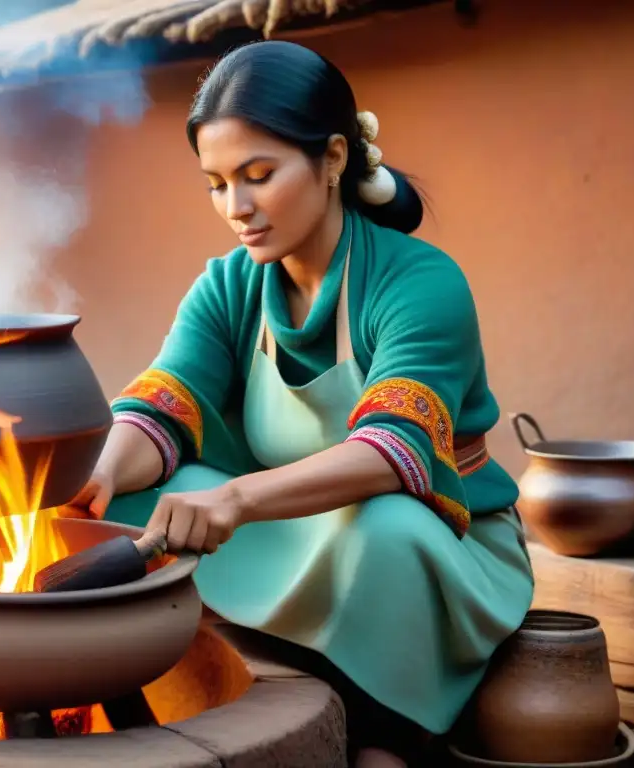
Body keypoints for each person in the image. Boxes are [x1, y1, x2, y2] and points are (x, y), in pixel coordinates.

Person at [72, 40, 533, 768]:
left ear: (334, 158)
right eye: (216, 184)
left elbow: (394, 450)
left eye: (259, 176)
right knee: (139, 500)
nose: (237, 207)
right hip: (292, 529)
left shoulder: (419, 282)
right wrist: (97, 476)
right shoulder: (229, 285)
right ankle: (193, 680)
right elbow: (164, 402)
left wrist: (236, 500)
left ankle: (390, 734)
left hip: (437, 547)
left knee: (385, 528)